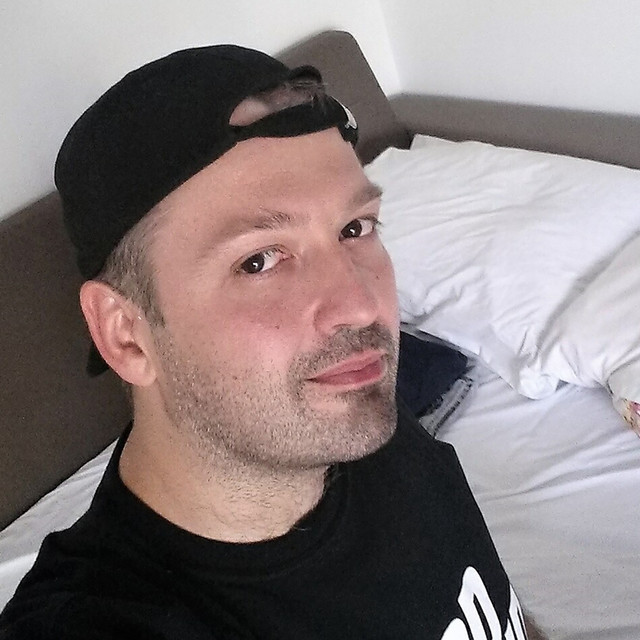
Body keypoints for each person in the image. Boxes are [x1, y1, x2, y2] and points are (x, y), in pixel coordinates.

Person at [0, 44, 543, 639]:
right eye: (259, 260)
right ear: (125, 334)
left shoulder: (362, 417)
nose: (361, 307)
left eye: (354, 228)